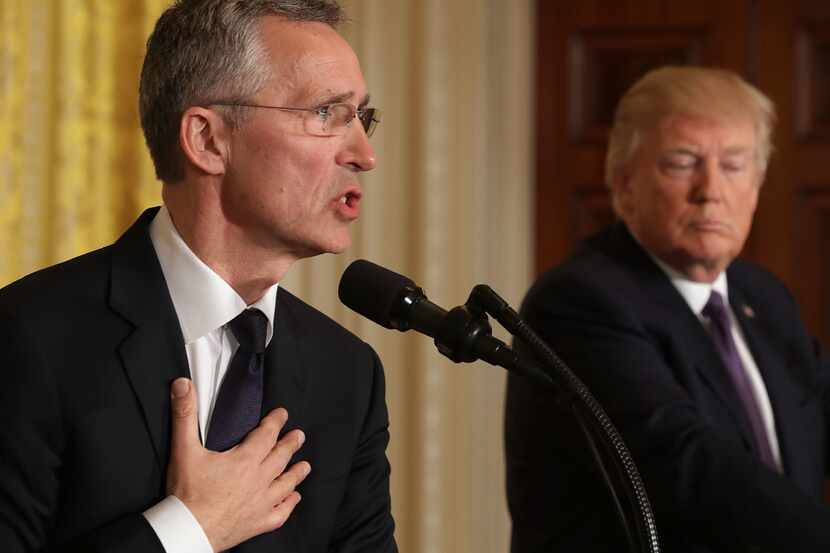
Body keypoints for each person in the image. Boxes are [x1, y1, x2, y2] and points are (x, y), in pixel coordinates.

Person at [0, 1, 396, 552]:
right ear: (208, 140)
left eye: (362, 117)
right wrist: (188, 529)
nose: (365, 155)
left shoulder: (348, 375)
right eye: (327, 114)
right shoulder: (30, 336)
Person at [504, 66, 830, 553]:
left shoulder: (762, 296)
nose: (711, 190)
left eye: (735, 165)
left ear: (757, 187)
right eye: (682, 162)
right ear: (623, 181)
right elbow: (686, 464)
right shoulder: (578, 302)